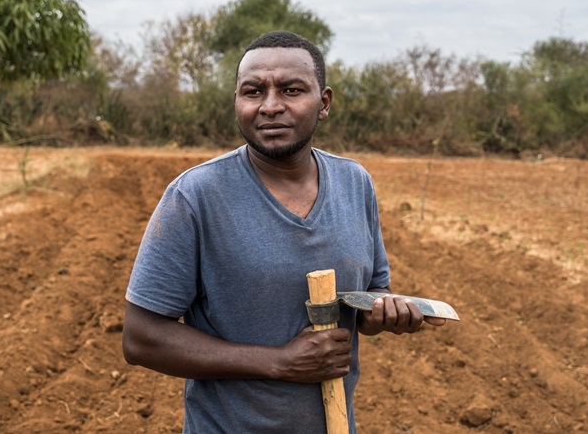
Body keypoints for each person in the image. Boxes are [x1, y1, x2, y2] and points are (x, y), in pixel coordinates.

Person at [122, 30, 445, 433]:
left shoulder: (354, 183)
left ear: (323, 103)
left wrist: (383, 313)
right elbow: (140, 339)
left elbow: (371, 294)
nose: (270, 106)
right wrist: (278, 362)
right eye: (253, 92)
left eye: (291, 90)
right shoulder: (195, 196)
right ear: (237, 102)